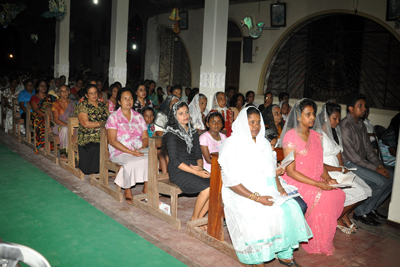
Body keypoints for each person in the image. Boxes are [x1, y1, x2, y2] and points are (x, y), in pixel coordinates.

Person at [218, 107, 312, 266]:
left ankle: (284, 253)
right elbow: (231, 181)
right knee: (259, 214)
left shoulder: (263, 143)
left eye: (258, 122)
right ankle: (256, 257)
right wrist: (257, 198)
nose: (256, 126)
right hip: (240, 193)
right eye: (251, 123)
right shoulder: (231, 144)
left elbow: (271, 170)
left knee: (290, 208)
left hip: (265, 188)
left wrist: (280, 189)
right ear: (242, 123)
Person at [279, 98, 345, 255]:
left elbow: (319, 163)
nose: (312, 118)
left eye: (313, 114)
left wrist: (327, 178)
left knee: (338, 193)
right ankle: (315, 240)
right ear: (298, 115)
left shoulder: (316, 135)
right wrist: (317, 184)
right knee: (324, 198)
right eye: (308, 114)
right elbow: (291, 171)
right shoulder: (290, 136)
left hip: (315, 178)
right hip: (297, 180)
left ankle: (322, 237)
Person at [315, 103, 372, 234]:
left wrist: (343, 168)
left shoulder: (333, 134)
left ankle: (343, 214)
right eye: (334, 118)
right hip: (327, 173)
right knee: (360, 191)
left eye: (338, 118)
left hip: (338, 171)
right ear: (325, 117)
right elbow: (318, 164)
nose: (337, 121)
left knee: (366, 189)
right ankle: (338, 216)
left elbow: (339, 157)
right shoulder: (318, 135)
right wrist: (339, 170)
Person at [340, 92, 393, 226]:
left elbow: (369, 150)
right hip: (350, 164)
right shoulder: (345, 126)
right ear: (351, 108)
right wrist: (376, 169)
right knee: (381, 181)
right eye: (360, 106)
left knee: (391, 177)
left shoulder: (361, 125)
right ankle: (361, 211)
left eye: (364, 106)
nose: (364, 108)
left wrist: (379, 166)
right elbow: (354, 157)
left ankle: (371, 208)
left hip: (362, 163)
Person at [162, 101, 211, 221]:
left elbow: (198, 153)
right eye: (181, 113)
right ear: (174, 116)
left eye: (187, 112)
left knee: (217, 186)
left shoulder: (192, 131)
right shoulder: (171, 134)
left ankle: (199, 218)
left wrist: (199, 167)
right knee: (208, 188)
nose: (185, 116)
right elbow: (174, 160)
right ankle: (194, 219)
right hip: (178, 170)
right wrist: (196, 172)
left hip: (194, 168)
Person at [106, 88, 149, 204]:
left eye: (130, 98)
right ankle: (127, 189)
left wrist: (142, 148)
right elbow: (112, 140)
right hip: (120, 151)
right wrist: (131, 152)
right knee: (130, 163)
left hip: (139, 149)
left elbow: (145, 137)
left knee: (152, 160)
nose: (128, 101)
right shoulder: (113, 117)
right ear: (119, 102)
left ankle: (147, 187)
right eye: (124, 98)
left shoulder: (139, 117)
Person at [265, 129, 308, 214]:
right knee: (293, 207)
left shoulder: (272, 153)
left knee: (301, 205)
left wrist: (279, 168)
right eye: (271, 145)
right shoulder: (258, 155)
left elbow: (273, 168)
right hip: (267, 185)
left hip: (277, 182)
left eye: (274, 145)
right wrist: (275, 176)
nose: (273, 148)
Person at [76, 84, 109, 174]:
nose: (94, 95)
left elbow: (109, 119)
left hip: (105, 134)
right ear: (86, 95)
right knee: (96, 147)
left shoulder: (103, 105)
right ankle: (95, 171)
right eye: (91, 93)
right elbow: (85, 123)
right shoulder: (83, 105)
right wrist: (102, 124)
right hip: (88, 136)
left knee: (117, 143)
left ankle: (112, 169)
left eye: (95, 92)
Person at [154, 95, 180, 173]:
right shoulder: (161, 116)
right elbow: (160, 134)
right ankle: (167, 176)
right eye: (173, 104)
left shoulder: (178, 116)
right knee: (167, 154)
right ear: (168, 104)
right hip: (162, 144)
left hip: (174, 143)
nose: (175, 106)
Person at [30, 79, 57, 154]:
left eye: (45, 86)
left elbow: (56, 106)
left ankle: (55, 144)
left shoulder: (51, 97)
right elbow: (36, 109)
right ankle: (42, 144)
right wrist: (46, 116)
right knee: (42, 123)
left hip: (51, 116)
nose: (43, 87)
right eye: (41, 86)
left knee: (58, 122)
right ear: (37, 88)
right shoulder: (34, 98)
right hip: (38, 117)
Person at [51, 85, 76, 160]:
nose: (64, 93)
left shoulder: (73, 103)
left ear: (69, 92)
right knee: (65, 129)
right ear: (59, 93)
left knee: (79, 129)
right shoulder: (55, 103)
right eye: (62, 91)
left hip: (70, 125)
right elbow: (56, 119)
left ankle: (75, 154)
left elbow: (76, 116)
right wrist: (67, 125)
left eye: (66, 90)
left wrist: (73, 126)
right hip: (58, 126)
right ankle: (63, 153)